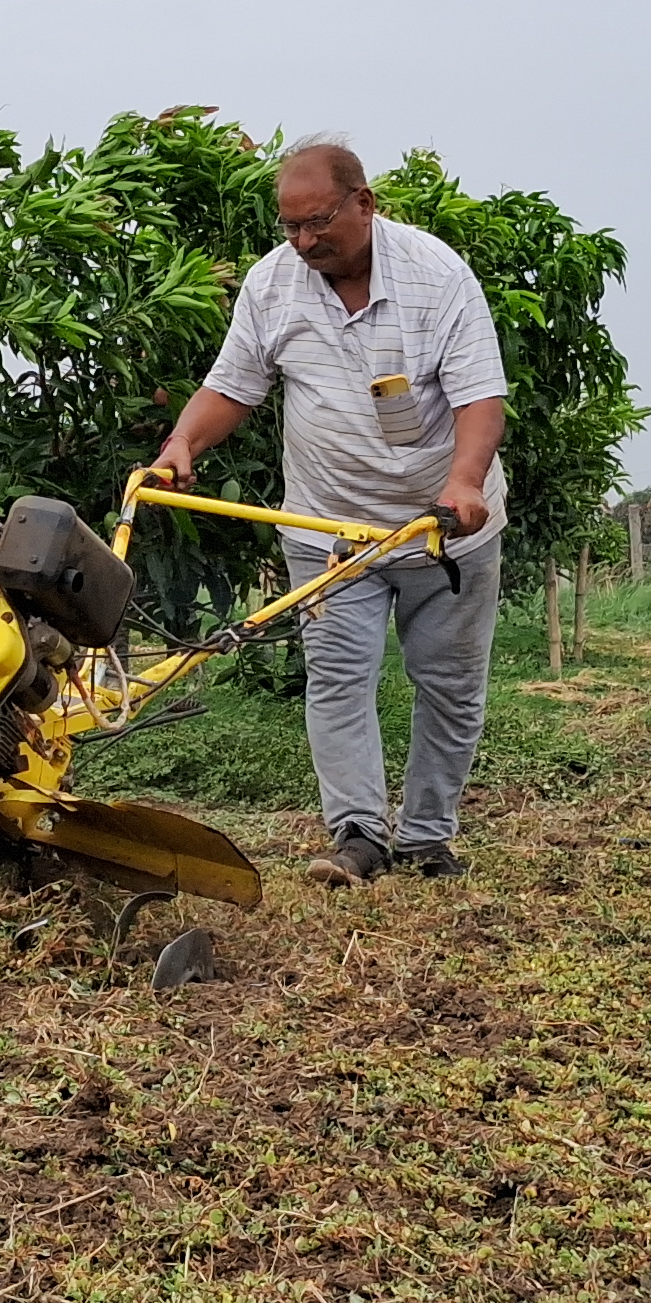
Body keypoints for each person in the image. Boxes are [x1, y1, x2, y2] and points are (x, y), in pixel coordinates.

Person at [148, 140, 508, 885]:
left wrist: (465, 482)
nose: (306, 242)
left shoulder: (437, 277)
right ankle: (358, 837)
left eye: (319, 224)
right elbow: (235, 385)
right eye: (291, 228)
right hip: (328, 527)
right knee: (339, 677)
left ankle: (429, 836)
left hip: (441, 528)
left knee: (447, 684)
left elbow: (480, 396)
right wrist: (184, 442)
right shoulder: (273, 284)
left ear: (364, 204)